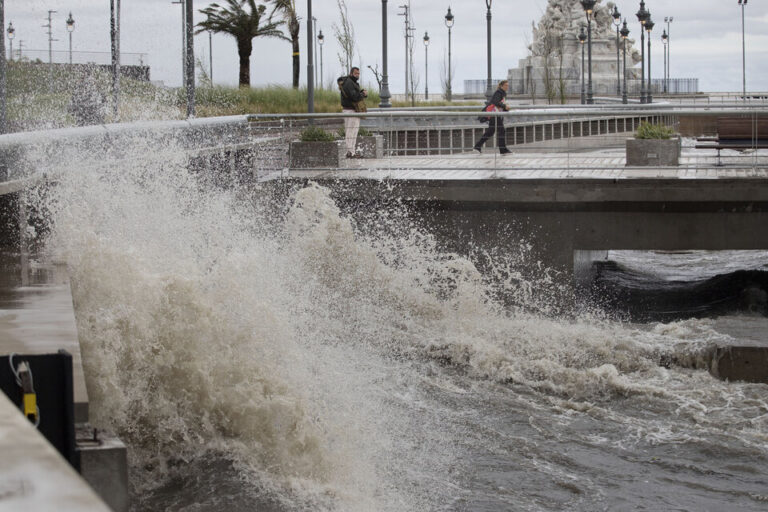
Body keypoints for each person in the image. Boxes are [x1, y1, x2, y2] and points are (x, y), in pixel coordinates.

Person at [474, 80, 511, 154]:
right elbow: (495, 102)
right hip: (494, 114)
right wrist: (504, 106)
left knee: (490, 132)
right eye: (506, 85)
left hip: (495, 114)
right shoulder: (498, 92)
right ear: (501, 86)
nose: (507, 87)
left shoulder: (502, 93)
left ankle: (477, 146)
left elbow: (499, 104)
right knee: (501, 130)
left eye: (508, 85)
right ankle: (503, 150)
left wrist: (505, 108)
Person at [339, 67, 368, 158]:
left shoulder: (351, 82)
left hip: (352, 110)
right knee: (350, 131)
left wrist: (361, 93)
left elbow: (354, 95)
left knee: (353, 131)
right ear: (351, 73)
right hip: (350, 110)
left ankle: (352, 151)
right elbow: (354, 97)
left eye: (358, 74)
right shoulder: (349, 83)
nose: (357, 75)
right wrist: (362, 94)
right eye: (356, 73)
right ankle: (350, 152)